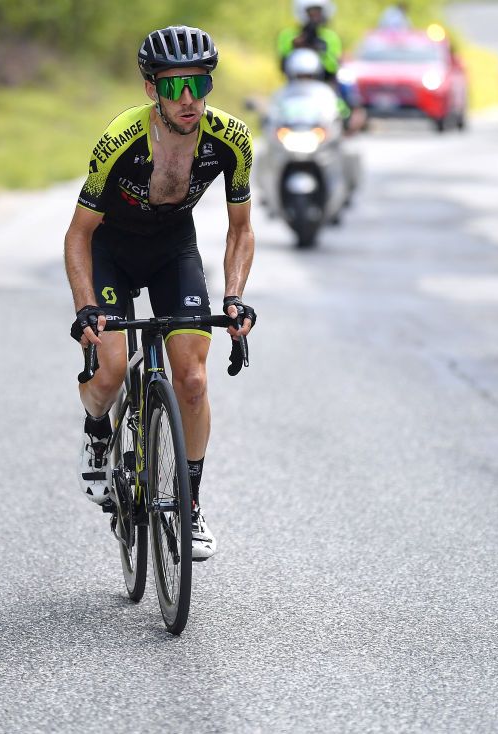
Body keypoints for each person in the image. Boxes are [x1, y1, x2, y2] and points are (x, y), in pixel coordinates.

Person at [64, 26, 256, 561]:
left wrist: (235, 297)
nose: (189, 99)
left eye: (199, 83)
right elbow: (78, 233)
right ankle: (98, 429)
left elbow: (240, 228)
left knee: (192, 378)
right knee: (108, 367)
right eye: (175, 87)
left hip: (174, 248)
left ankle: (189, 503)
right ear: (152, 90)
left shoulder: (231, 139)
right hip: (111, 249)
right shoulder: (119, 139)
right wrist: (85, 308)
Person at [276, 1, 343, 84]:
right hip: (295, 85)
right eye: (312, 11)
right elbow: (283, 66)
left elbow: (333, 67)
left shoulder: (330, 37)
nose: (316, 15)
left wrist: (321, 52)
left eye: (318, 11)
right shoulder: (288, 35)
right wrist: (295, 48)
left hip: (323, 85)